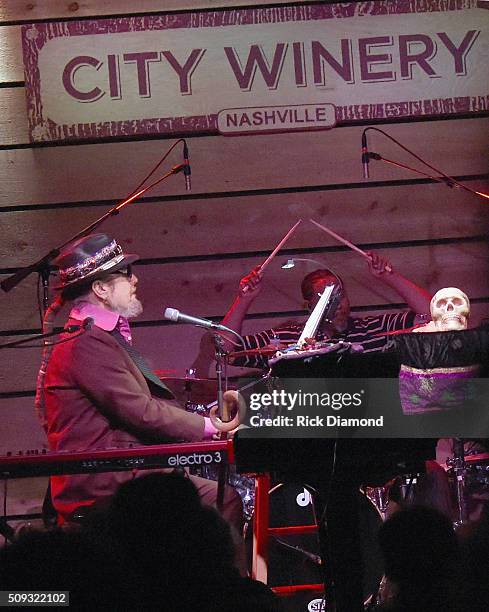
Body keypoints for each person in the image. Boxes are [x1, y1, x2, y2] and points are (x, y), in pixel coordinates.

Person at [36, 233, 242, 532]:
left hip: (127, 473)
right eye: (125, 274)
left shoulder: (97, 336)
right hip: (108, 485)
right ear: (101, 288)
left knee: (221, 498)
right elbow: (139, 411)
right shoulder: (85, 342)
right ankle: (208, 578)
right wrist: (211, 428)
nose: (135, 281)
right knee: (223, 501)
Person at [221, 252, 432, 367]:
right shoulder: (288, 337)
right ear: (309, 306)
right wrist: (244, 299)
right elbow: (223, 350)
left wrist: (389, 276)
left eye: (340, 295)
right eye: (326, 298)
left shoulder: (372, 329)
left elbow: (433, 314)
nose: (337, 303)